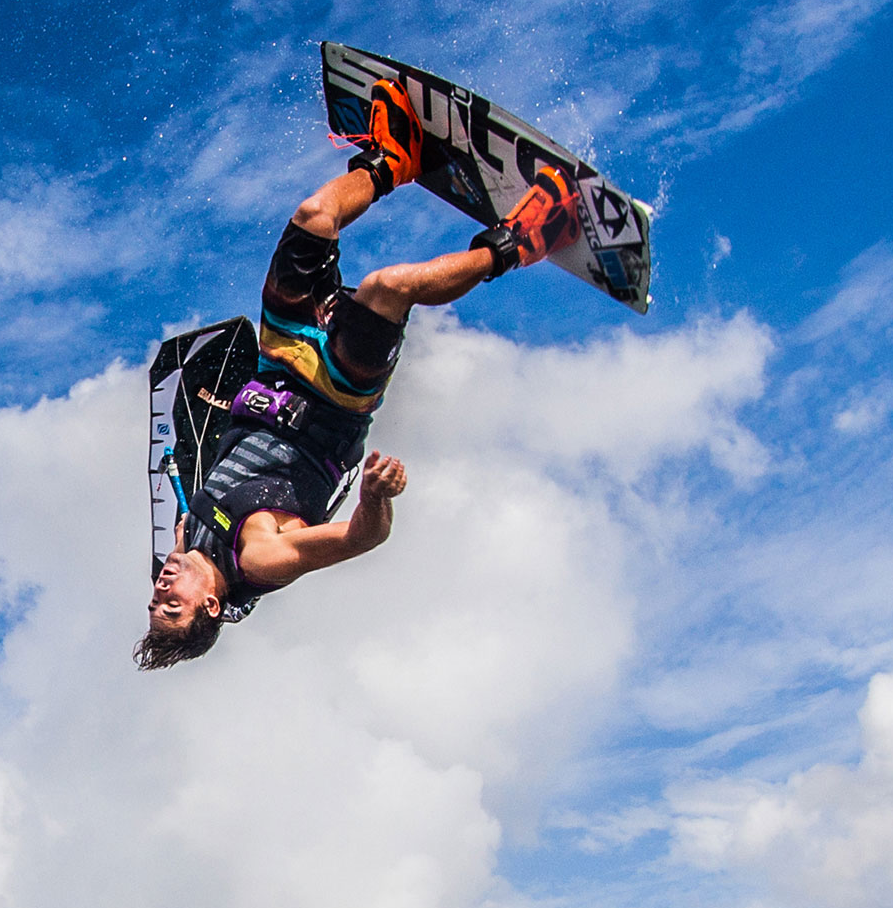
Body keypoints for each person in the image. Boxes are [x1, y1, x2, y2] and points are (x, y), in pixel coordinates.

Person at [136, 78, 582, 668]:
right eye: (173, 607)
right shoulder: (260, 558)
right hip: (335, 397)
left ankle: (391, 160)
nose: (162, 590)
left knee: (314, 216)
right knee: (388, 288)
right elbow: (360, 539)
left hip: (278, 357)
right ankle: (527, 238)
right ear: (213, 606)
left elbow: (178, 453)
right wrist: (373, 497)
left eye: (153, 600)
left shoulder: (183, 540)